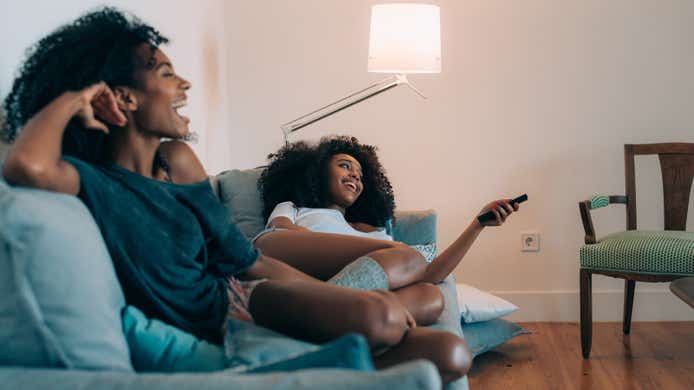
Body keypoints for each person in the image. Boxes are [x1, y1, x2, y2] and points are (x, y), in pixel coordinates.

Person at [1, 8, 470, 383]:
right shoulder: (91, 179)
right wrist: (77, 97)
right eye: (166, 73)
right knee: (386, 321)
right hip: (214, 326)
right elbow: (25, 165)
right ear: (123, 98)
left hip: (242, 296)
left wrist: (330, 306)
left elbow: (248, 262)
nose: (184, 84)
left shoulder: (179, 161)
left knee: (448, 351)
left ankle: (341, 347)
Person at [255, 136, 521, 325]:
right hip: (295, 258)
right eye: (345, 165)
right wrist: (381, 251)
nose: (356, 177)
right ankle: (334, 308)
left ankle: (329, 311)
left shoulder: (373, 232)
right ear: (317, 171)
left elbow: (429, 275)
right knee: (407, 256)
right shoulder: (295, 208)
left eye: (360, 175)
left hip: (347, 288)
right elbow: (278, 237)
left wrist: (477, 225)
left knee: (430, 296)